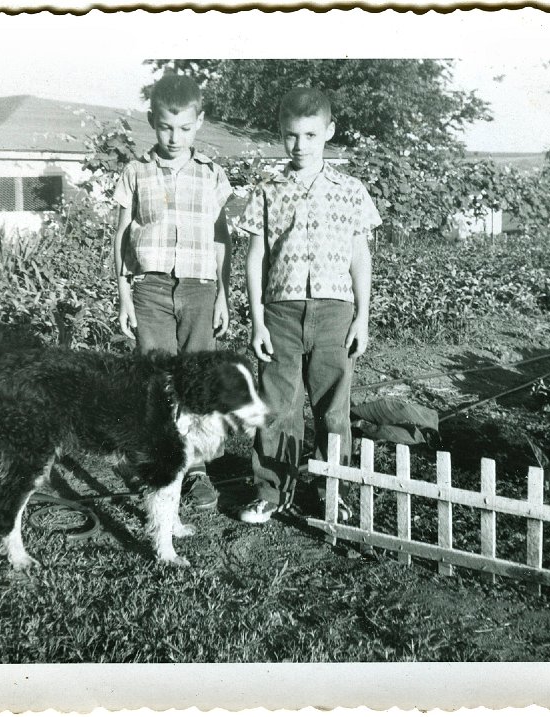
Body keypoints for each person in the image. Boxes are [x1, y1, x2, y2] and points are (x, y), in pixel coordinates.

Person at [236, 87, 382, 524]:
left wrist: (363, 316)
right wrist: (258, 322)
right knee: (277, 404)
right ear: (281, 135)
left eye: (311, 136)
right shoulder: (267, 191)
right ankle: (271, 490)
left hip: (335, 312)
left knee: (333, 407)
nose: (300, 146)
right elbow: (256, 257)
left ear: (329, 133)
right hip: (280, 312)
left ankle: (331, 489)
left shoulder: (351, 190)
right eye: (291, 136)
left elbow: (361, 257)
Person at [112, 74, 232, 511]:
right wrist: (124, 295)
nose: (174, 136)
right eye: (165, 127)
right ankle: (158, 467)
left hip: (201, 287)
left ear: (199, 122)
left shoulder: (213, 174)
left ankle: (197, 472)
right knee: (157, 382)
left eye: (184, 127)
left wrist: (222, 294)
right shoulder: (135, 171)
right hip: (151, 288)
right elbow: (122, 235)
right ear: (151, 121)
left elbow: (222, 239)